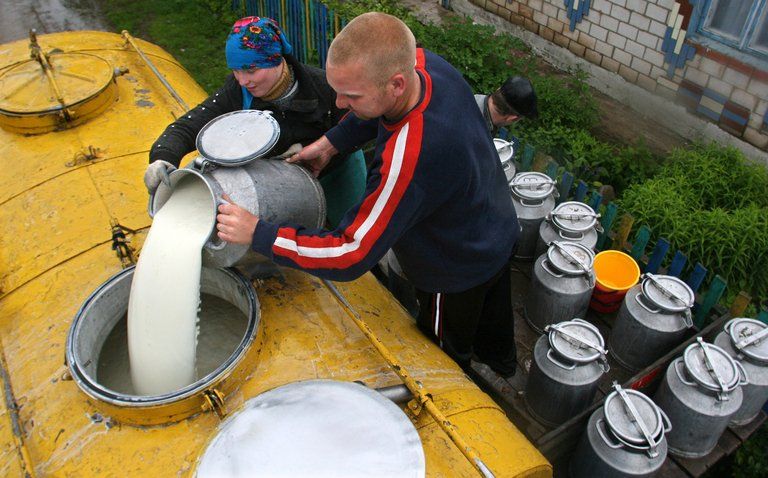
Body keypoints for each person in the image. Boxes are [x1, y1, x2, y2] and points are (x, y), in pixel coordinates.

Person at [216, 12, 520, 377]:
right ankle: (504, 365)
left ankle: (469, 384)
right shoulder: (425, 66)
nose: (340, 104)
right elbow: (377, 109)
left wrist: (259, 233)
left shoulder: (409, 158)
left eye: (351, 95)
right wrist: (331, 143)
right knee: (495, 317)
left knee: (446, 348)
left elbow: (350, 253)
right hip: (498, 223)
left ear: (394, 83)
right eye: (338, 90)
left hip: (455, 265)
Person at [143, 16, 366, 227]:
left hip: (336, 172)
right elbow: (186, 127)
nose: (242, 80)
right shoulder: (236, 93)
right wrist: (163, 157)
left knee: (355, 227)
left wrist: (331, 149)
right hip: (284, 183)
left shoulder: (323, 87)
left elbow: (361, 123)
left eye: (251, 69)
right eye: (235, 70)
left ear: (276, 60)